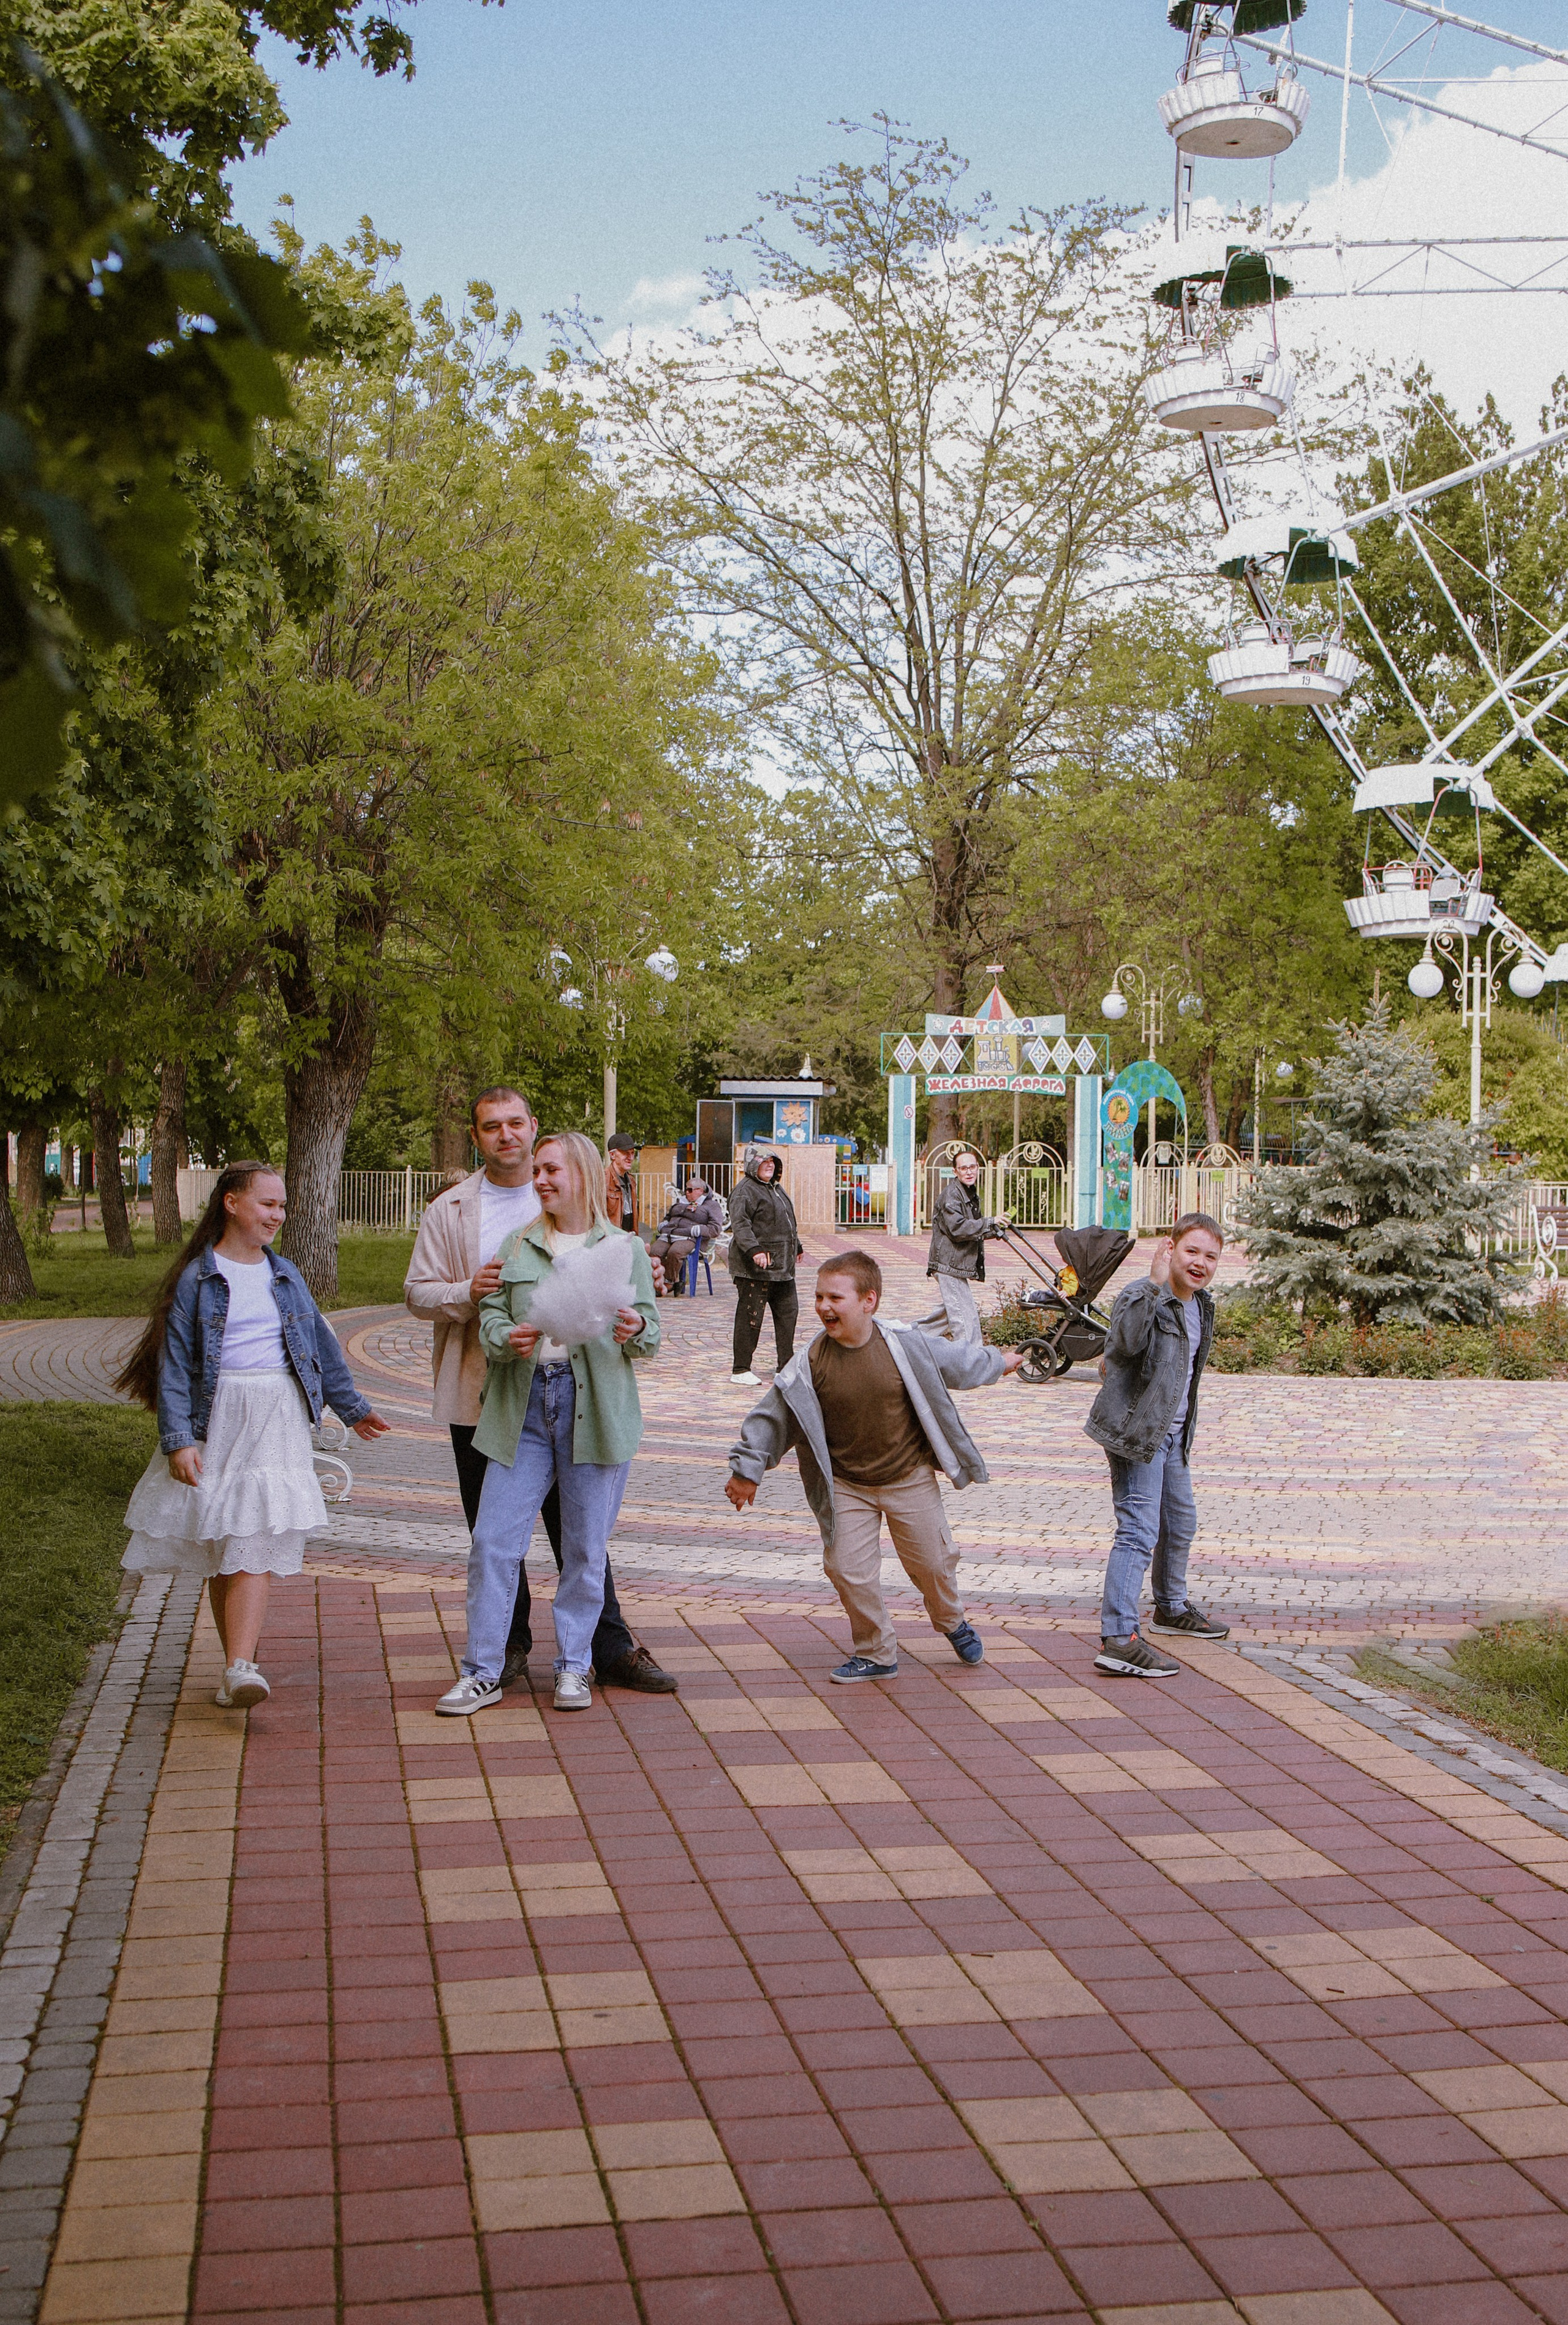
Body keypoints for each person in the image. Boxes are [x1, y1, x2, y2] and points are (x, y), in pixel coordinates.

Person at [404, 1086, 676, 1695]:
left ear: (534, 1130)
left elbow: (644, 1323)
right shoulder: (460, 1213)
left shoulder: (610, 1234)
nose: (506, 1136)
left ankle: (592, 1655)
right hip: (495, 1394)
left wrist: (638, 1308)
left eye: (516, 1124)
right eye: (490, 1126)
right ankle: (498, 1659)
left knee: (581, 1543)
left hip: (589, 1401)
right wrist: (473, 1298)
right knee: (493, 1538)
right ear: (477, 1138)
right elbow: (427, 1294)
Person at [114, 1162, 390, 1711]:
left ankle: (241, 1666)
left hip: (275, 1416)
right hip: (216, 1417)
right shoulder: (198, 1276)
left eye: (282, 1206)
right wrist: (178, 1439)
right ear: (232, 1204)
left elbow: (320, 1347)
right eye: (268, 1204)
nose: (277, 1215)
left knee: (251, 1539)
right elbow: (175, 1366)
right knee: (225, 1540)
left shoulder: (284, 1274)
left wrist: (352, 1407)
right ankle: (234, 1665)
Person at [725, 1249, 1025, 1682]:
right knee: (846, 1567)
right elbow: (773, 1416)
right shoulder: (810, 1363)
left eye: (836, 1297)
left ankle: (952, 1620)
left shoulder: (905, 1345)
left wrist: (1001, 1362)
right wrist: (746, 1469)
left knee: (934, 1563)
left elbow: (959, 1361)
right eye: (819, 1297)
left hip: (908, 1478)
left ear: (870, 1301)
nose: (825, 1306)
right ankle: (876, 1651)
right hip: (847, 1485)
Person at [1085, 1211, 1230, 1679]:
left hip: (1174, 1435)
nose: (1200, 1263)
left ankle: (1170, 1607)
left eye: (1211, 1256)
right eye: (1192, 1251)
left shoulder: (1201, 1304)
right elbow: (1122, 1346)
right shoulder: (1142, 1294)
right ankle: (1119, 1637)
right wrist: (1151, 1285)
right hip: (1137, 1435)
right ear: (1171, 1248)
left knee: (1181, 1521)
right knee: (1138, 1531)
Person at [728, 1145, 802, 1386]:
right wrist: (755, 1251)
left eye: (773, 1162)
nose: (770, 1165)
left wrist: (797, 1246)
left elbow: (786, 1221)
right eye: (765, 1162)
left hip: (783, 1269)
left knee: (789, 1313)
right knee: (751, 1318)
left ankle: (785, 1366)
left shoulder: (776, 1189)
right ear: (752, 1165)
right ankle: (741, 1369)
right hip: (755, 1270)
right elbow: (741, 1226)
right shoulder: (744, 1192)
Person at [916, 1151, 1008, 1345]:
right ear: (955, 1171)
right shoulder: (952, 1195)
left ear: (978, 1168)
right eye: (964, 1168)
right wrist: (989, 1222)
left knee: (946, 1316)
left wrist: (994, 1228)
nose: (969, 1172)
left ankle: (904, 1340)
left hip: (954, 1264)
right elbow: (958, 1228)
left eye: (972, 1167)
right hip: (948, 1266)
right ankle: (972, 1361)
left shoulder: (968, 1192)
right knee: (966, 1320)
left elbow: (970, 1228)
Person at [649, 1178, 725, 1296]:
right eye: (686, 1190)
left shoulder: (711, 1205)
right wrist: (664, 1224)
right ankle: (659, 1281)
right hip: (669, 1234)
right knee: (654, 1251)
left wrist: (697, 1230)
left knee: (675, 1252)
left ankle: (669, 1283)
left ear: (701, 1191)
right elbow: (669, 1217)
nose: (687, 1193)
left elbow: (715, 1229)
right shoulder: (681, 1202)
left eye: (690, 1190)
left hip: (690, 1238)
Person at [605, 1132, 640, 1231]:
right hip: (611, 1240)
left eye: (633, 1153)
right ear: (612, 1155)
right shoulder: (602, 1180)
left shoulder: (631, 1181)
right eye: (626, 1153)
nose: (631, 1158)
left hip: (629, 1237)